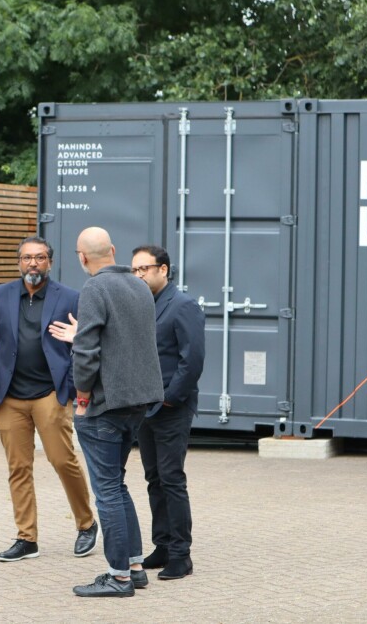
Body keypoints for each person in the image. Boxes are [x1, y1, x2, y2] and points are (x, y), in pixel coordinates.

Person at [0, 236, 97, 563]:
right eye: (27, 258)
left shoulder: (70, 298)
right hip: (9, 398)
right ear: (18, 262)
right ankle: (26, 538)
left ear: (50, 262)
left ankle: (86, 524)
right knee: (18, 468)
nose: (33, 264)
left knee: (62, 460)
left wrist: (69, 386)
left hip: (49, 395)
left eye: (40, 258)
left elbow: (81, 346)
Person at [67, 227, 164, 598]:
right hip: (137, 402)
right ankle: (135, 566)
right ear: (112, 250)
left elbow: (86, 349)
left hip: (104, 406)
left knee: (106, 490)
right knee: (118, 486)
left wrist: (81, 395)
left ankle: (118, 577)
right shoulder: (139, 285)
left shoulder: (95, 288)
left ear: (82, 257)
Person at [131, 245, 205, 581]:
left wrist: (171, 399)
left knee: (172, 479)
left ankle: (181, 554)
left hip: (171, 408)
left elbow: (192, 361)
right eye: (134, 270)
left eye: (144, 269)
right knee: (154, 479)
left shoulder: (183, 305)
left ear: (163, 269)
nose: (139, 275)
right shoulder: (140, 304)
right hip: (144, 408)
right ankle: (161, 545)